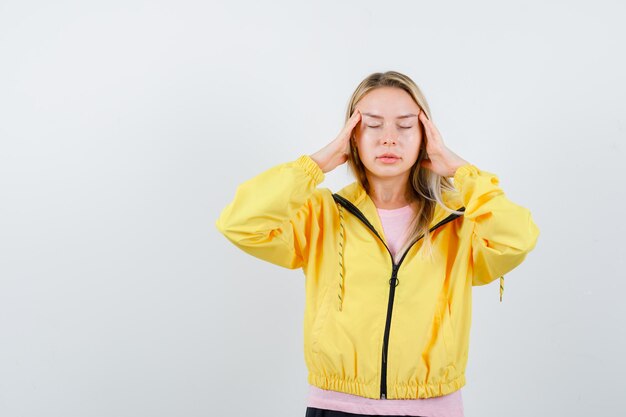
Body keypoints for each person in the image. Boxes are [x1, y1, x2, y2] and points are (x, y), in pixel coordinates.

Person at [215, 71, 540, 417]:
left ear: (426, 137)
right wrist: (315, 165)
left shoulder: (458, 220)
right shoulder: (322, 214)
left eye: (404, 126)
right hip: (335, 405)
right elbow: (240, 223)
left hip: (432, 408)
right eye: (372, 125)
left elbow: (517, 238)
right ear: (352, 135)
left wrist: (461, 172)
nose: (389, 139)